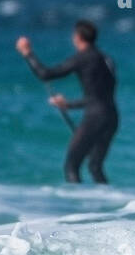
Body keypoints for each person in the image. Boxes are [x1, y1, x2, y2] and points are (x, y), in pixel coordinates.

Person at [15, 20, 118, 184]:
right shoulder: (106, 59)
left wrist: (28, 53)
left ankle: (78, 206)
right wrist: (68, 105)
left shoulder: (82, 58)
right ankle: (111, 204)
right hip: (112, 116)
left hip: (95, 117)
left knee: (71, 165)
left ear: (77, 37)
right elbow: (102, 96)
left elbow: (45, 74)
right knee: (95, 166)